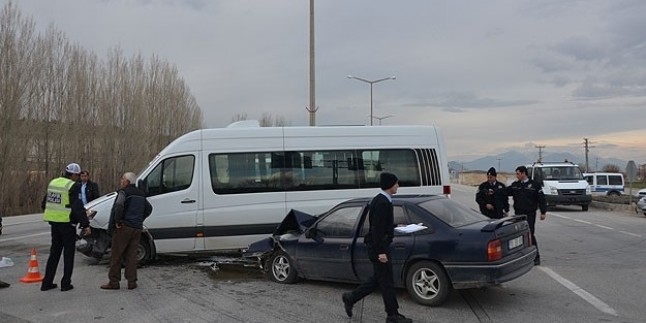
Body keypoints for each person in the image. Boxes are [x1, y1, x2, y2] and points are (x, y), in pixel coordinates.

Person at [342, 172, 412, 323]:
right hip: (379, 247)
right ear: (390, 185)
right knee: (386, 281)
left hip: (379, 245)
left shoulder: (383, 200)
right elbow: (376, 229)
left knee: (379, 279)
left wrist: (396, 226)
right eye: (396, 183)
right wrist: (380, 251)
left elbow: (381, 225)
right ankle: (392, 315)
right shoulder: (381, 202)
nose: (398, 186)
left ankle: (351, 297)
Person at [41, 163, 91, 292]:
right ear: (74, 175)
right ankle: (65, 283)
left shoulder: (54, 182)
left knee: (54, 254)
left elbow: (44, 203)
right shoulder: (72, 186)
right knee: (68, 255)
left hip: (54, 223)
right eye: (78, 175)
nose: (79, 178)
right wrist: (85, 224)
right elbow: (77, 207)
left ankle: (47, 282)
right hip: (67, 224)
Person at [101, 172, 152, 290]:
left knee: (116, 255)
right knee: (132, 256)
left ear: (127, 182)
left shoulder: (124, 192)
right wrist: (140, 219)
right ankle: (132, 282)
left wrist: (117, 220)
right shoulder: (141, 194)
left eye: (123, 179)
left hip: (124, 227)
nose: (121, 181)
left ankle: (114, 282)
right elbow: (149, 209)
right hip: (137, 228)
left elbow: (118, 205)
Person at [501, 165, 547, 266]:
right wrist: (494, 190)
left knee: (530, 234)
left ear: (523, 173)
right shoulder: (516, 185)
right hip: (518, 214)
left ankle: (536, 257)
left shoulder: (534, 185)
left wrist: (543, 212)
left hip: (529, 214)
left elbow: (541, 199)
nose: (516, 176)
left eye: (518, 174)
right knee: (518, 235)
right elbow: (505, 192)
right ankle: (520, 257)